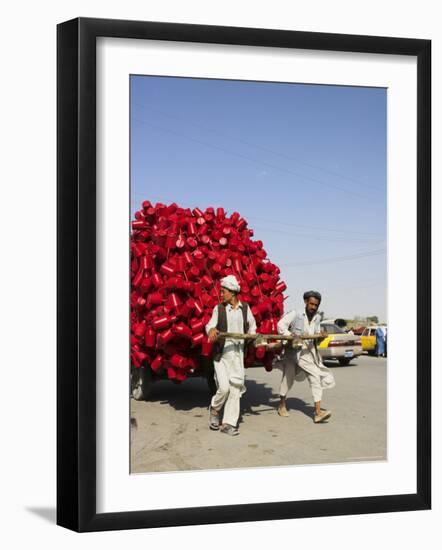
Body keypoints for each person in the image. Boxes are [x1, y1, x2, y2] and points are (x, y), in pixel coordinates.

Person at [205, 275, 256, 436]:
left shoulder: (245, 309)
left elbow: (252, 328)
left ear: (233, 292)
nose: (221, 294)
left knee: (235, 390)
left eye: (224, 291)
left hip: (237, 357)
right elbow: (210, 325)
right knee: (224, 388)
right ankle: (215, 409)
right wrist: (212, 330)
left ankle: (228, 423)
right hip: (222, 357)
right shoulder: (218, 309)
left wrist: (254, 337)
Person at [275, 290, 335, 423]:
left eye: (316, 305)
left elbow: (316, 335)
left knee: (315, 377)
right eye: (311, 304)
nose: (313, 307)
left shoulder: (318, 318)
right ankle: (282, 404)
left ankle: (318, 412)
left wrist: (321, 336)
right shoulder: (295, 313)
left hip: (308, 354)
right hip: (293, 352)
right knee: (288, 379)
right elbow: (280, 325)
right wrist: (290, 335)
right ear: (306, 302)